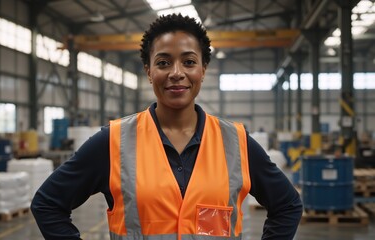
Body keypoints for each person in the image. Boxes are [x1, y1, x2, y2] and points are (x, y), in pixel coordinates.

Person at [31, 13, 303, 239]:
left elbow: (288, 205)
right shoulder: (114, 141)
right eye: (163, 62)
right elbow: (47, 204)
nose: (176, 73)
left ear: (203, 70)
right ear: (149, 71)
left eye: (188, 62)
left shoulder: (236, 142)